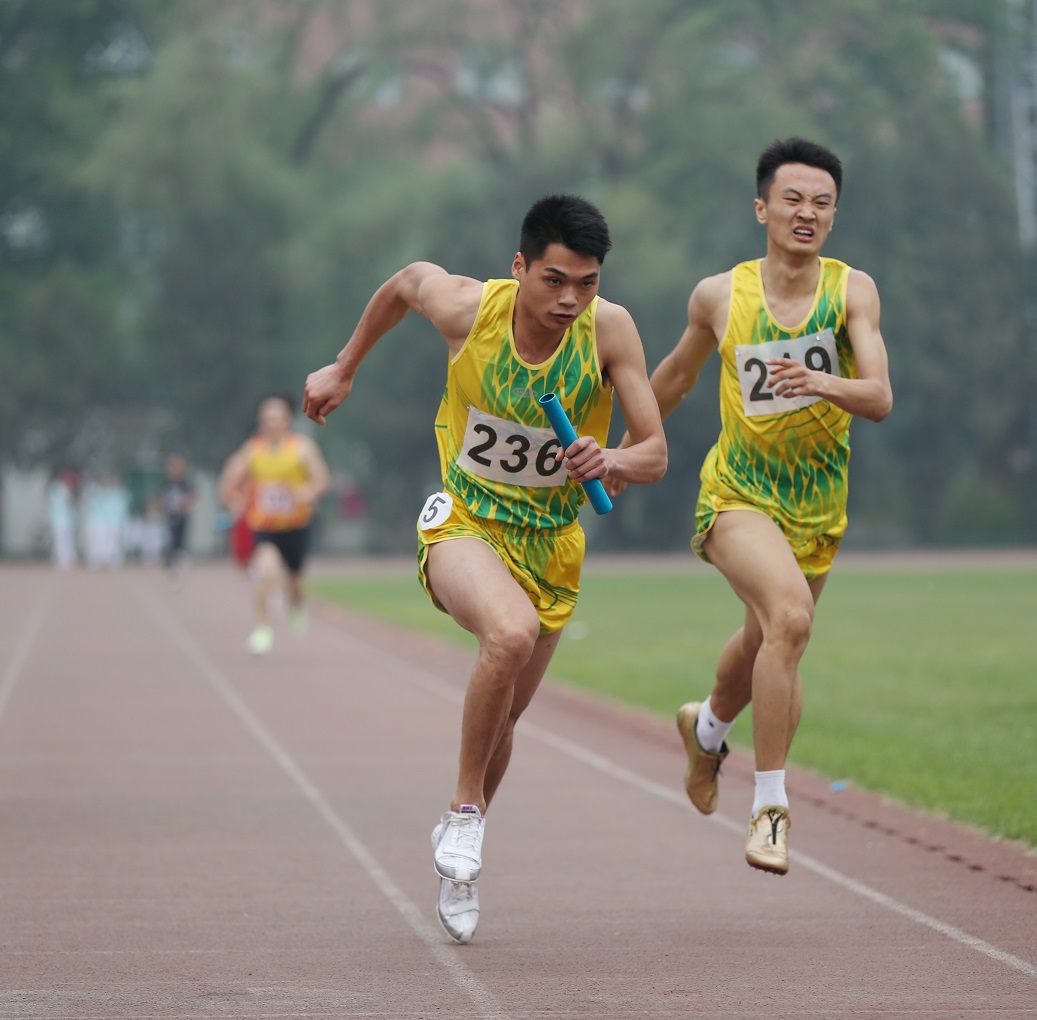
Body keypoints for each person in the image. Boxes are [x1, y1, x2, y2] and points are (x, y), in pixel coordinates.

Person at [303, 194, 667, 944]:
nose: (570, 300)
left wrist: (612, 457)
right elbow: (405, 282)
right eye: (554, 280)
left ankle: (458, 853)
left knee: (506, 712)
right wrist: (344, 368)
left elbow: (654, 453)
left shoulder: (610, 332)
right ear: (519, 267)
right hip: (464, 524)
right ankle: (466, 814)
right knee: (507, 635)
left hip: (552, 547)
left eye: (587, 283)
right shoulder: (469, 310)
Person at [614, 138, 892, 876]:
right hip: (736, 494)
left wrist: (819, 380)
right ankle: (770, 807)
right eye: (793, 199)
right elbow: (670, 377)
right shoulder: (718, 295)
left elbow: (879, 398)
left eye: (822, 203)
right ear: (762, 207)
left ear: (834, 215)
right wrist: (621, 455)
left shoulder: (851, 291)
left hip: (815, 508)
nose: (806, 213)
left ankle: (704, 730)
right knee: (791, 621)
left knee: (766, 639)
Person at [218, 394, 331, 654]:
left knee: (295, 581)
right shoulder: (252, 451)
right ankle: (262, 627)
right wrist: (234, 501)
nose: (270, 423)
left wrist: (307, 493)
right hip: (265, 527)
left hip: (296, 525)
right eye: (266, 418)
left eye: (276, 418)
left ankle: (296, 605)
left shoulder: (301, 449)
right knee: (266, 573)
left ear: (286, 420)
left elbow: (322, 479)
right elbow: (229, 479)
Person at [161, 453, 196, 576]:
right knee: (170, 537)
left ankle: (179, 558)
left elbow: (193, 495)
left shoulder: (185, 483)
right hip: (170, 514)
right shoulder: (167, 482)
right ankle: (169, 559)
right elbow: (160, 496)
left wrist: (186, 503)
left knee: (181, 537)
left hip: (181, 514)